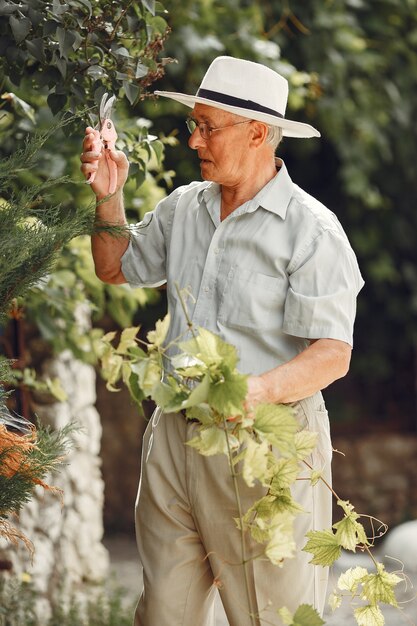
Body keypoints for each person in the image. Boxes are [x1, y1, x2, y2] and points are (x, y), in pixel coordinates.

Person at [80, 56, 364, 626]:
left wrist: (257, 390)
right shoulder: (185, 206)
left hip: (265, 448)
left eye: (208, 126)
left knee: (273, 617)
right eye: (196, 124)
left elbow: (333, 352)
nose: (194, 139)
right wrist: (108, 195)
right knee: (163, 614)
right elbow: (115, 267)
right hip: (174, 441)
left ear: (258, 132)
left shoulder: (312, 230)